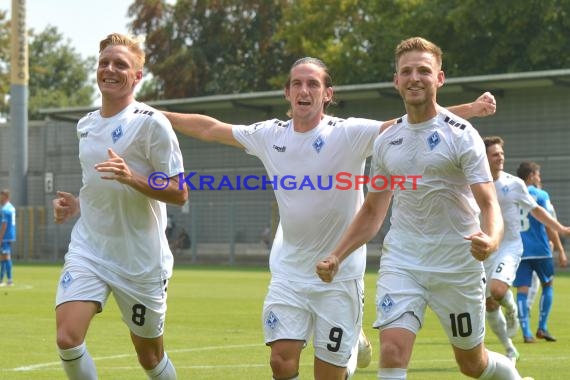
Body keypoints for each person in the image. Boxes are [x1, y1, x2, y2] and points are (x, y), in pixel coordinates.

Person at [163, 54, 496, 379]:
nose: (304, 91)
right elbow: (210, 128)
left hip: (340, 272)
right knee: (281, 363)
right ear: (287, 93)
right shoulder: (269, 134)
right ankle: (352, 344)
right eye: (297, 84)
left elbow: (409, 127)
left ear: (327, 94)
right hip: (290, 270)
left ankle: (351, 350)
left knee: (329, 374)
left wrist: (467, 110)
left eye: (312, 84)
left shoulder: (348, 133)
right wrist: (157, 116)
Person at [316, 37, 533, 380]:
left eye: (423, 70)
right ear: (396, 81)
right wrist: (337, 254)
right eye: (406, 71)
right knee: (391, 351)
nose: (414, 77)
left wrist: (491, 241)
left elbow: (488, 202)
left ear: (439, 78)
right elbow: (373, 210)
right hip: (404, 261)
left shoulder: (462, 135)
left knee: (472, 365)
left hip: (457, 264)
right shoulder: (387, 141)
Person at [53, 33, 187, 380]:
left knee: (150, 358)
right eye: (104, 63)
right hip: (91, 249)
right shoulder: (86, 125)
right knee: (68, 338)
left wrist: (133, 178)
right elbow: (99, 184)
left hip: (140, 261)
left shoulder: (151, 123)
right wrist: (79, 204)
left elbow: (179, 191)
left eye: (120, 64)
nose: (109, 69)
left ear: (137, 76)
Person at [482, 136, 570, 364]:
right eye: (495, 154)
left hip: (510, 246)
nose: (500, 157)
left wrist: (559, 228)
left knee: (499, 291)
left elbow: (537, 211)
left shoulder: (514, 183)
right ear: (484, 157)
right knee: (489, 304)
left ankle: (512, 310)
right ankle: (509, 347)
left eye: (501, 153)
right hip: (485, 250)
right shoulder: (474, 183)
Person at [514, 161, 568, 343]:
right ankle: (542, 327)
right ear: (531, 176)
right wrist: (560, 250)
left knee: (522, 290)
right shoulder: (541, 195)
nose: (539, 178)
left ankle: (526, 333)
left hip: (520, 250)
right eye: (537, 175)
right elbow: (548, 223)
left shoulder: (512, 194)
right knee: (548, 285)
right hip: (540, 249)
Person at [0, 189, 16, 287]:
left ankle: (9, 280)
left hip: (5, 236)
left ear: (5, 196)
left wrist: (0, 237)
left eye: (1, 196)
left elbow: (4, 224)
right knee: (3, 257)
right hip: (10, 235)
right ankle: (2, 279)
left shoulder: (5, 209)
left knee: (5, 257)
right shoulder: (11, 207)